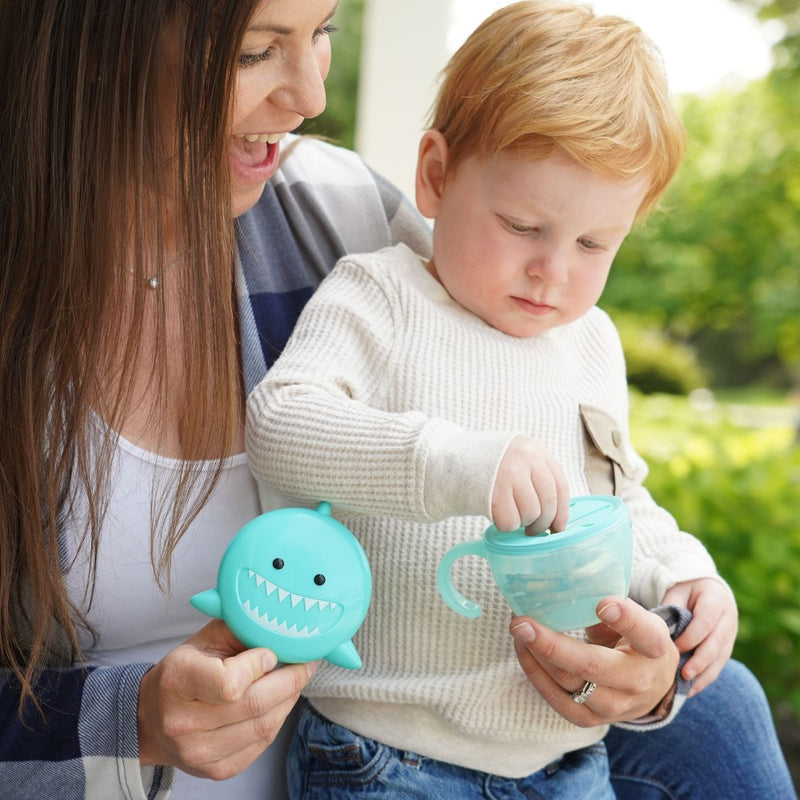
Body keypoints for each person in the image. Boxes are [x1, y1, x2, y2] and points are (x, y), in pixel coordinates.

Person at [0, 1, 793, 799]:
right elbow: (305, 422)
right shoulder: (372, 290)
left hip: (518, 749)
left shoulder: (340, 207)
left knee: (720, 706)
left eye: (323, 34)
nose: (310, 96)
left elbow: (603, 489)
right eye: (254, 52)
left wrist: (648, 667)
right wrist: (127, 719)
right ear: (96, 41)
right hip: (362, 758)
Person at [245, 2, 797, 798]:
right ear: (435, 175)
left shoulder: (590, 343)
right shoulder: (380, 296)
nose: (553, 270)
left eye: (593, 244)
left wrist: (682, 576)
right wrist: (452, 461)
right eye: (521, 225)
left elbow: (617, 500)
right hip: (389, 755)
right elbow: (283, 424)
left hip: (564, 763)